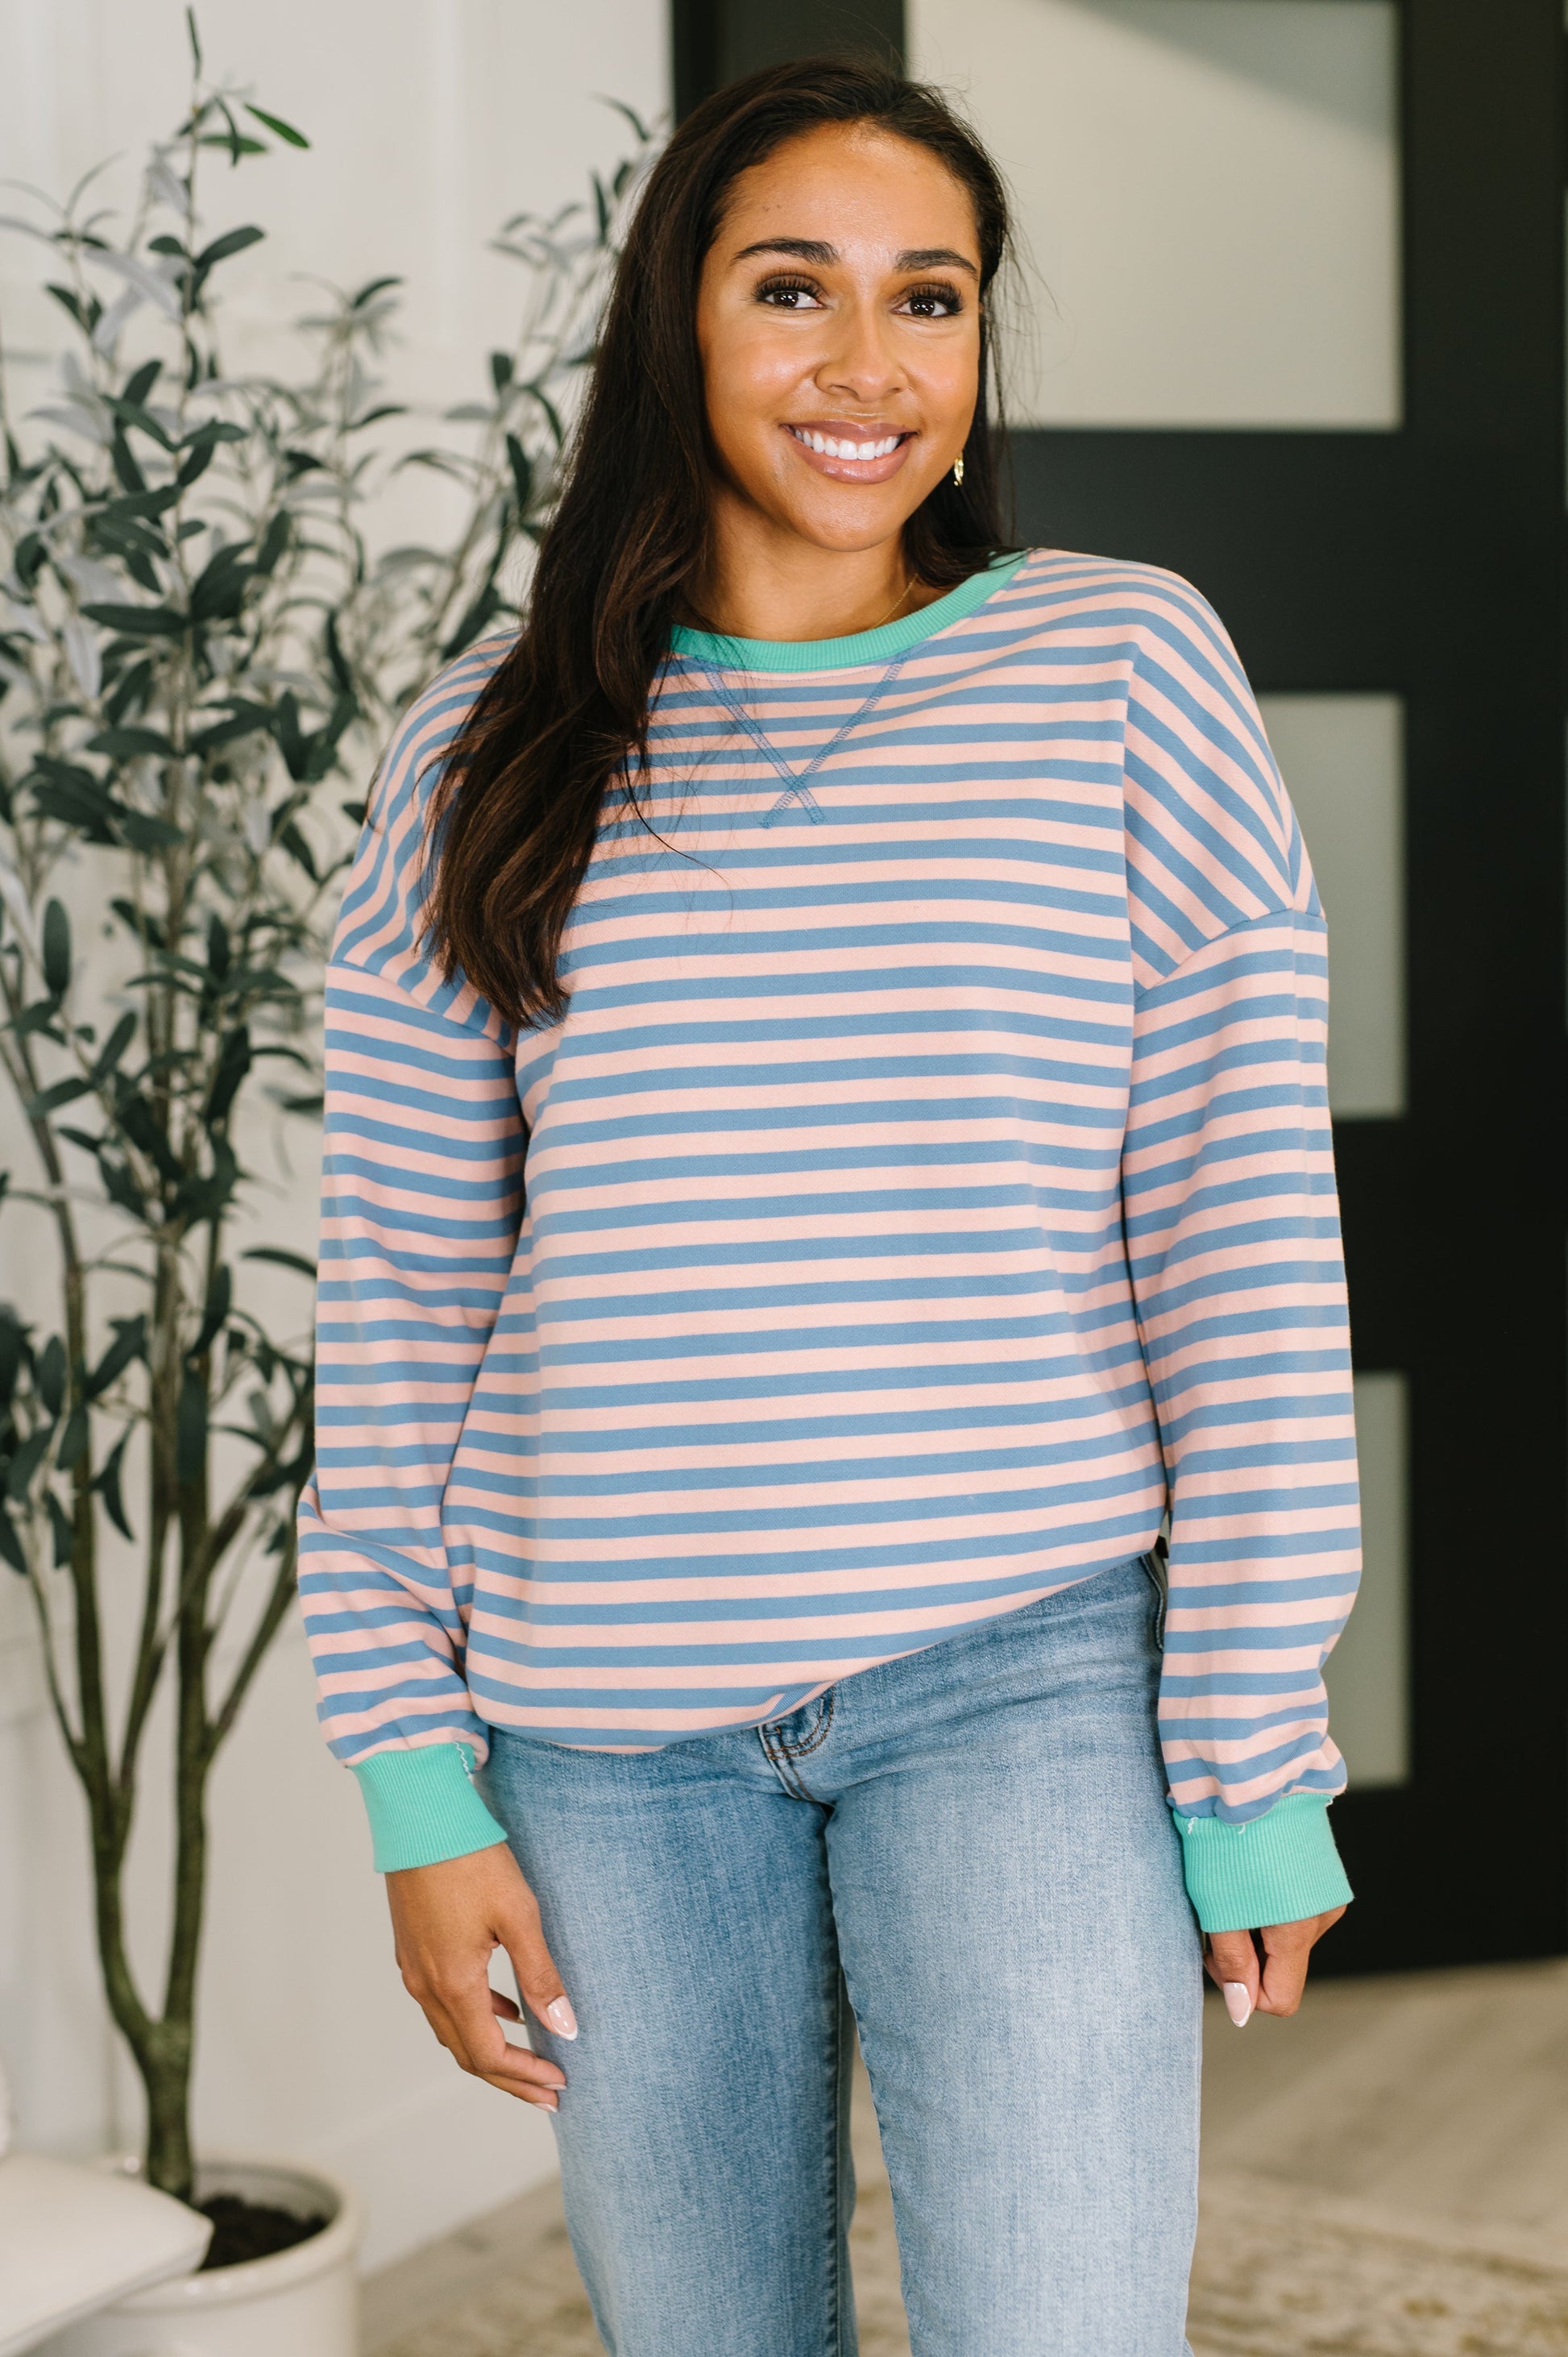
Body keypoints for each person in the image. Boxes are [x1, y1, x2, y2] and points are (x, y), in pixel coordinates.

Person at [298, 56, 1359, 2356]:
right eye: (793, 290)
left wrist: (1251, 1747)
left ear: (979, 363)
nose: (865, 364)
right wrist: (413, 1782)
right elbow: (395, 1304)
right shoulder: (476, 753)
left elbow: (1240, 1232)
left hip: (1023, 1673)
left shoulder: (1113, 665)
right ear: (675, 323)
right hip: (598, 1730)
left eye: (930, 299)